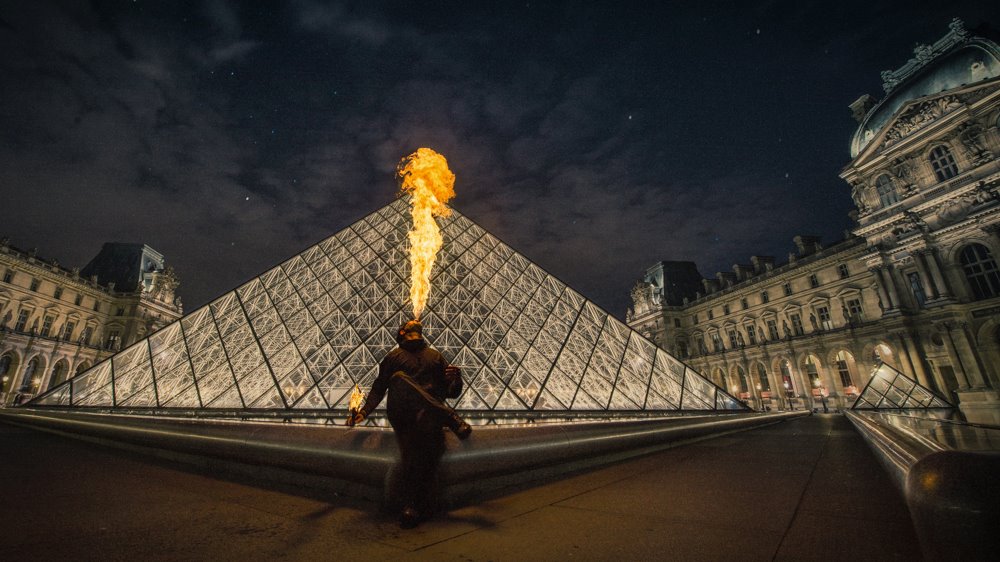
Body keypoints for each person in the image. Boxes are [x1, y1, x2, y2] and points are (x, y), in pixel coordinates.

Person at [348, 320, 471, 528]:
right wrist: (364, 412)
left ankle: (412, 505)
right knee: (398, 378)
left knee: (417, 449)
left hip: (428, 415)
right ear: (403, 332)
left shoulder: (436, 357)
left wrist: (457, 380)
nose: (416, 320)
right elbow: (379, 388)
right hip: (404, 411)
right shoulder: (393, 357)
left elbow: (451, 392)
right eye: (409, 323)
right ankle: (450, 418)